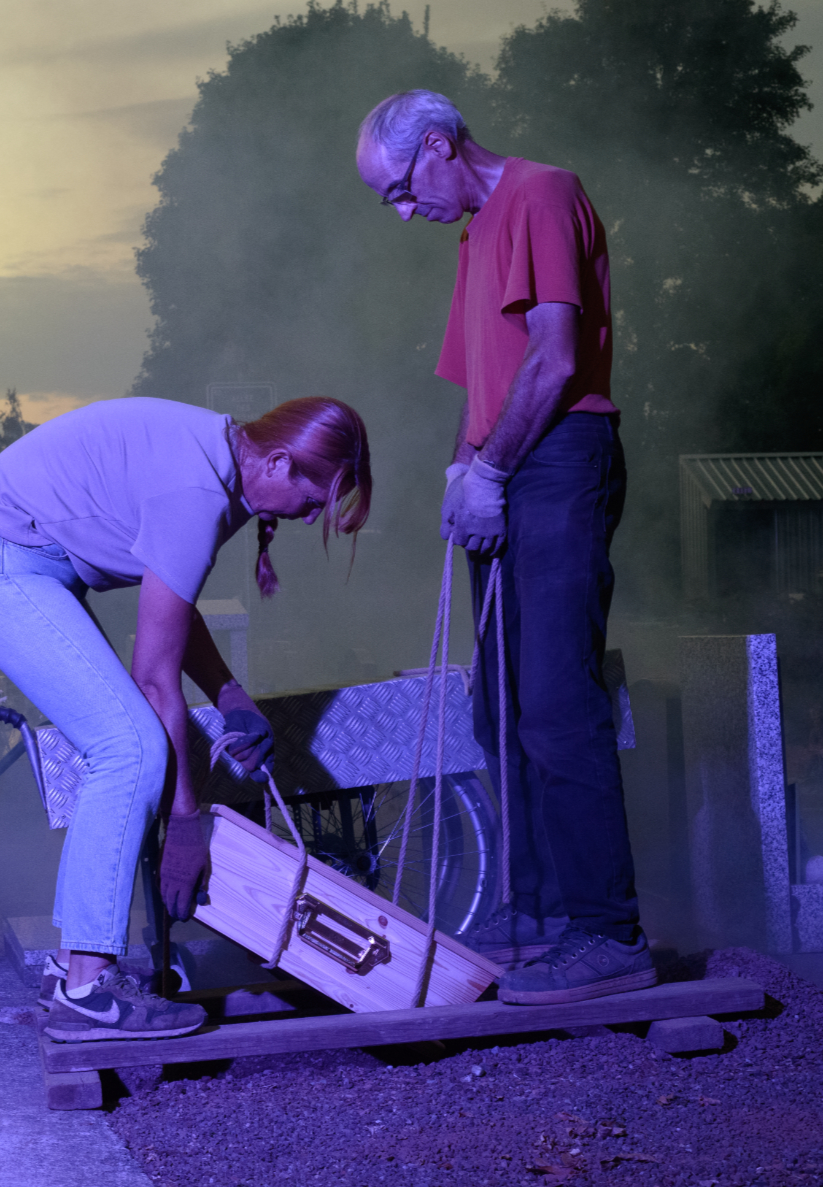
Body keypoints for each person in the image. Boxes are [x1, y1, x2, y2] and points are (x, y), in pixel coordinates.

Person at [0, 396, 371, 1041]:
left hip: (16, 556)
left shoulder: (218, 462)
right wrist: (185, 825)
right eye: (312, 501)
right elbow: (153, 677)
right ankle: (88, 988)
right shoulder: (199, 491)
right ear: (280, 462)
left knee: (127, 743)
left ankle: (72, 970)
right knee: (130, 745)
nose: (309, 518)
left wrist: (230, 697)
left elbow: (172, 608)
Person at [356, 90, 651, 1005]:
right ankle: (537, 911)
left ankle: (608, 931)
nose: (403, 212)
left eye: (400, 190)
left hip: (559, 457)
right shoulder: (475, 234)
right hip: (507, 457)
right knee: (501, 705)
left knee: (558, 700)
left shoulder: (542, 193)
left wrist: (490, 470)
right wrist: (462, 471)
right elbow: (480, 381)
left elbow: (555, 358)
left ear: (437, 146)